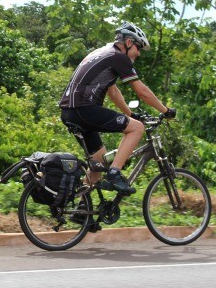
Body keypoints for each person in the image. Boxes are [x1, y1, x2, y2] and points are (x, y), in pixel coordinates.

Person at [59, 22, 176, 195]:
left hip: (69, 112)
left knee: (97, 165)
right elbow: (142, 92)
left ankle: (81, 212)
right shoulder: (118, 57)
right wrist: (165, 110)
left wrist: (130, 114)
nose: (138, 53)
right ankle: (115, 174)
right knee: (137, 128)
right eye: (138, 48)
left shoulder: (100, 53)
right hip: (84, 109)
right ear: (129, 43)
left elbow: (113, 91)